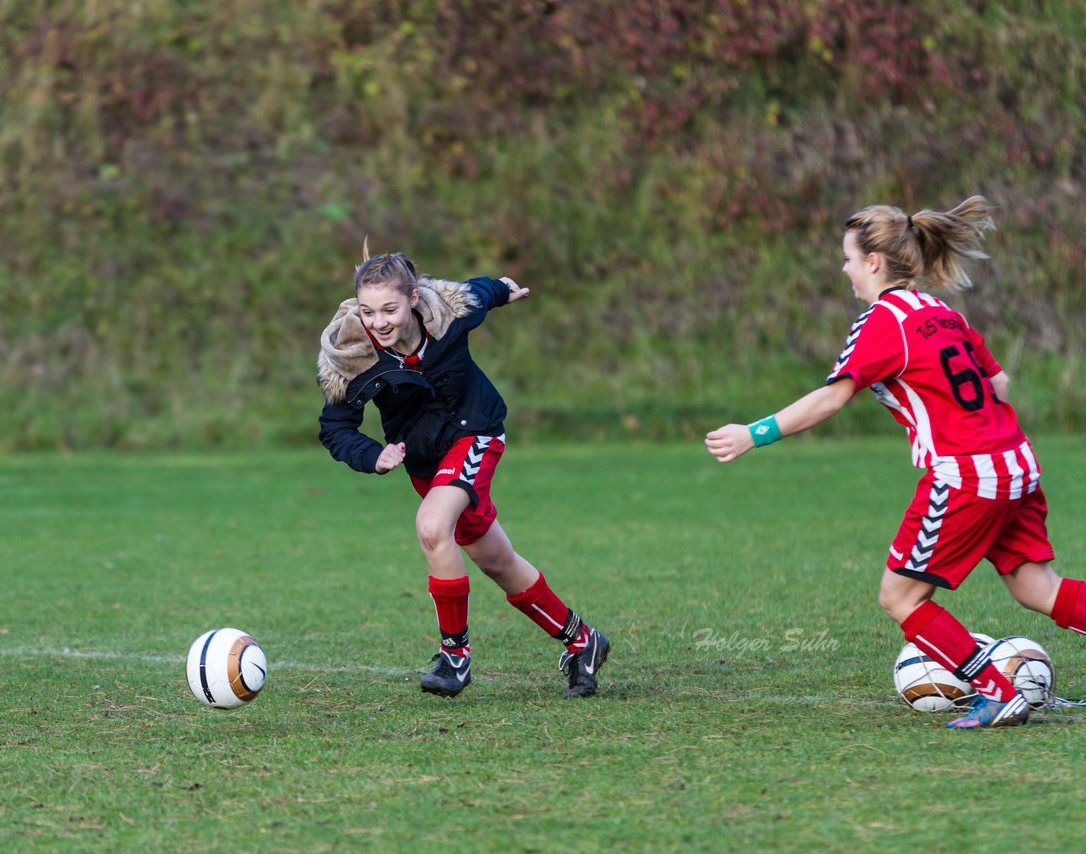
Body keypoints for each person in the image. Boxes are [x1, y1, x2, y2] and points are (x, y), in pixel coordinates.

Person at [705, 196, 1086, 728]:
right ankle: (999, 689)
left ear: (874, 262)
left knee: (901, 596)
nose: (845, 270)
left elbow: (832, 398)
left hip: (966, 474)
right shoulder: (944, 313)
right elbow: (999, 383)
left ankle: (998, 692)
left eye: (847, 259)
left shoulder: (883, 322)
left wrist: (754, 432)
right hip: (1017, 462)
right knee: (1037, 588)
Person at [316, 245, 610, 699]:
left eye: (390, 309)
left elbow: (476, 294)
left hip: (476, 432)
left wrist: (503, 290)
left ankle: (455, 655)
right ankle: (583, 641)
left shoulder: (446, 315)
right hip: (423, 458)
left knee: (433, 527)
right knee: (496, 560)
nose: (379, 322)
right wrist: (371, 455)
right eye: (369, 311)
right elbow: (335, 428)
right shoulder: (351, 354)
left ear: (414, 299)